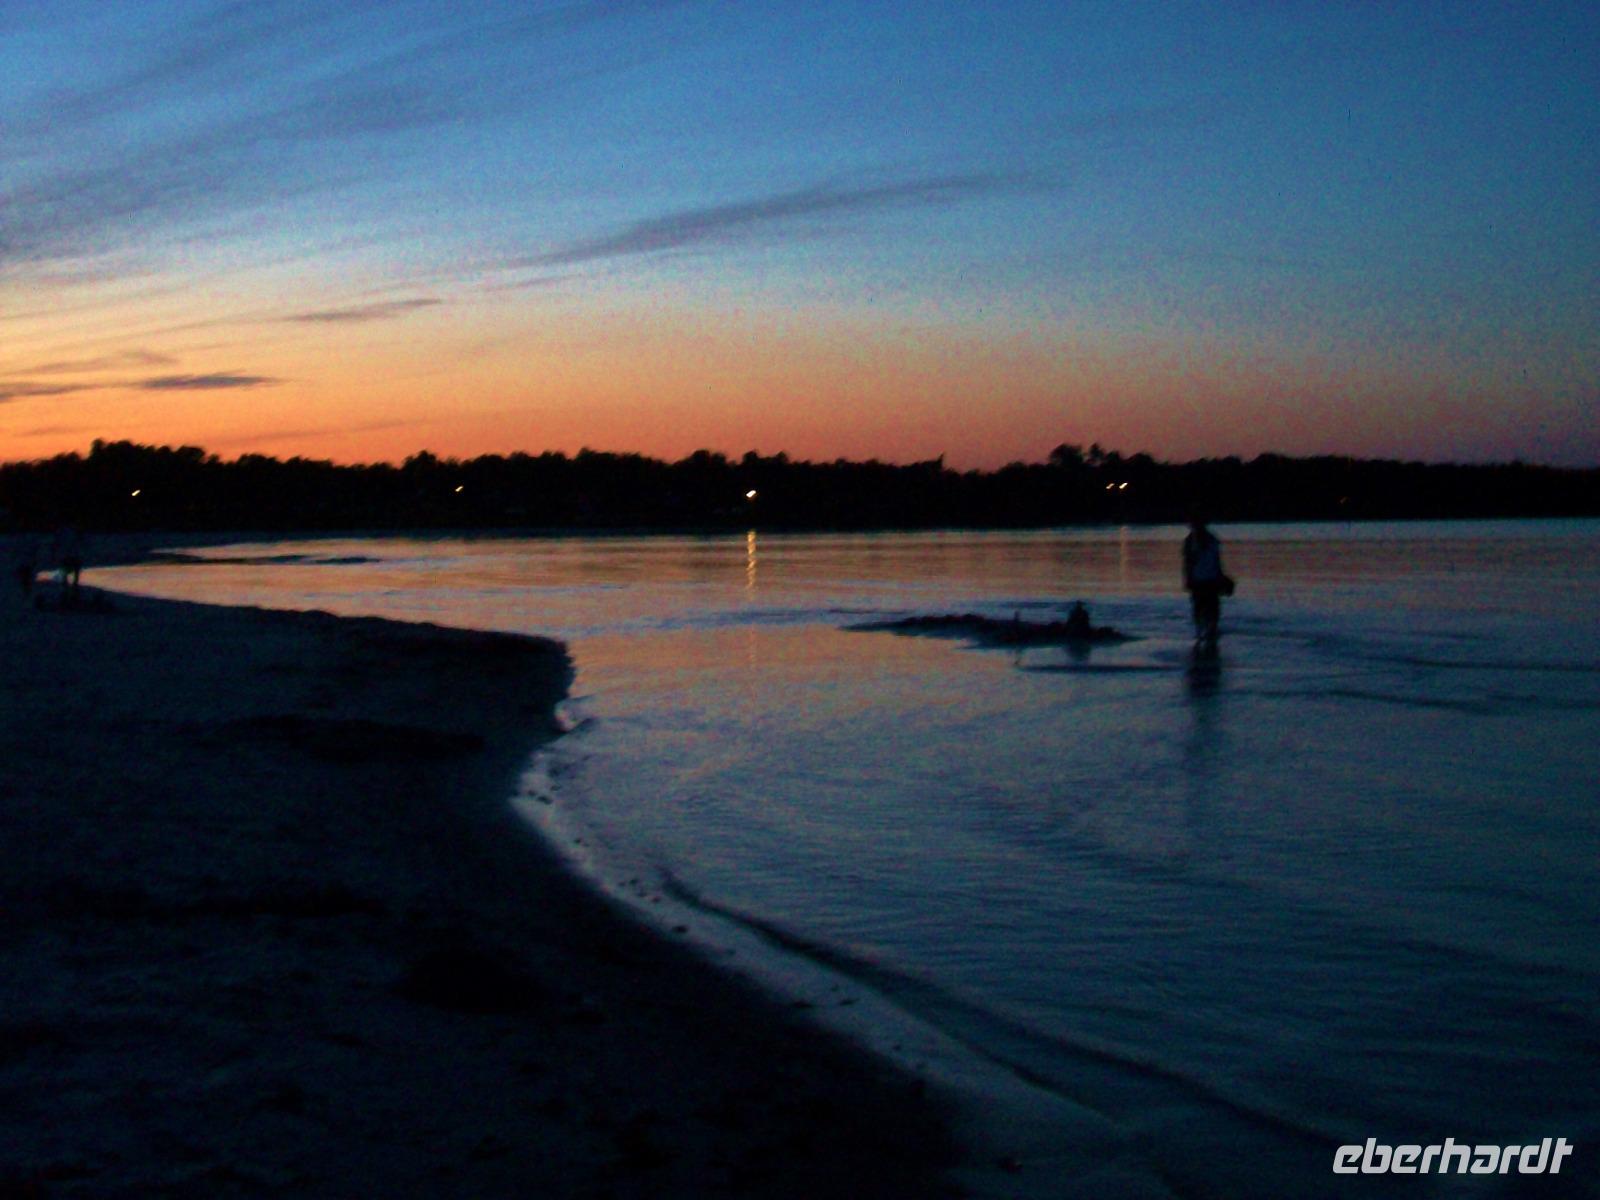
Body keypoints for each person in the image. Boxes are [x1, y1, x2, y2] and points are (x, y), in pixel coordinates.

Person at [1182, 514, 1228, 646]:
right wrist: (1188, 579)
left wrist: (1221, 576)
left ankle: (1206, 633)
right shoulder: (1191, 541)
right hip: (1200, 580)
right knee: (1202, 608)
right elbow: (1188, 562)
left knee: (1210, 609)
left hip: (1209, 580)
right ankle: (1201, 633)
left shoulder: (1211, 540)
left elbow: (1217, 561)